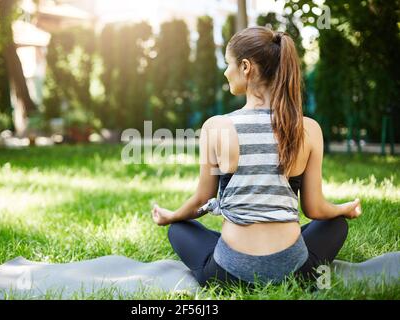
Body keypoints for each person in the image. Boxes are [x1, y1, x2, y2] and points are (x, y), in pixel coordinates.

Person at [151, 26, 362, 289]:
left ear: (246, 67)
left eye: (228, 64)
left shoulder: (216, 127)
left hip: (227, 274)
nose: (226, 72)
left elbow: (201, 201)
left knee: (179, 229)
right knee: (336, 225)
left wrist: (171, 216)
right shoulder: (308, 128)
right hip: (296, 272)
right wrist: (343, 209)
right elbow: (315, 209)